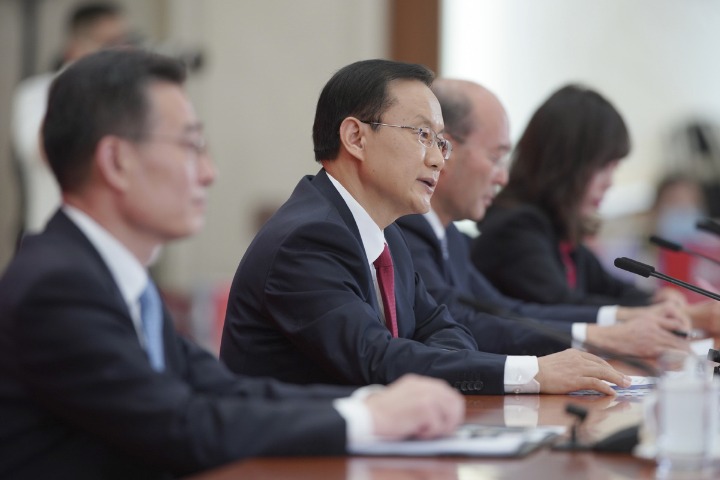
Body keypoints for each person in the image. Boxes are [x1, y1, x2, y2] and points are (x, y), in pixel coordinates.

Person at [0, 49, 466, 479]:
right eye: (191, 145)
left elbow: (220, 389)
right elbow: (182, 425)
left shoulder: (110, 277)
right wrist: (368, 417)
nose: (209, 172)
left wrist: (374, 403)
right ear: (116, 161)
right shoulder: (58, 285)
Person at [220, 59, 631, 396]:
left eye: (441, 142)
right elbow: (378, 359)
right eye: (422, 135)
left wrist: (427, 359)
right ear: (356, 138)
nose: (437, 159)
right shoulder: (306, 240)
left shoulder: (387, 235)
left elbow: (447, 328)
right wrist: (533, 373)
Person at [396, 79, 690, 359]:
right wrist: (598, 335)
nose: (502, 176)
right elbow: (464, 323)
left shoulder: (451, 237)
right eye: (495, 157)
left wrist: (632, 315)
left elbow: (503, 309)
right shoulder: (408, 231)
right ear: (445, 150)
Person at [469, 85, 720, 333]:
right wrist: (675, 314)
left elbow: (612, 290)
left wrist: (659, 301)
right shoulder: (515, 228)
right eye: (604, 167)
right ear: (567, 163)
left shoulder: (557, 227)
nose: (610, 182)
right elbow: (563, 306)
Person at [11, 2, 131, 234]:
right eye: (109, 43)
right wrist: (91, 83)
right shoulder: (36, 93)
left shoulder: (128, 98)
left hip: (117, 239)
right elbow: (45, 151)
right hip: (55, 239)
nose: (120, 52)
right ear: (75, 47)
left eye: (126, 41)